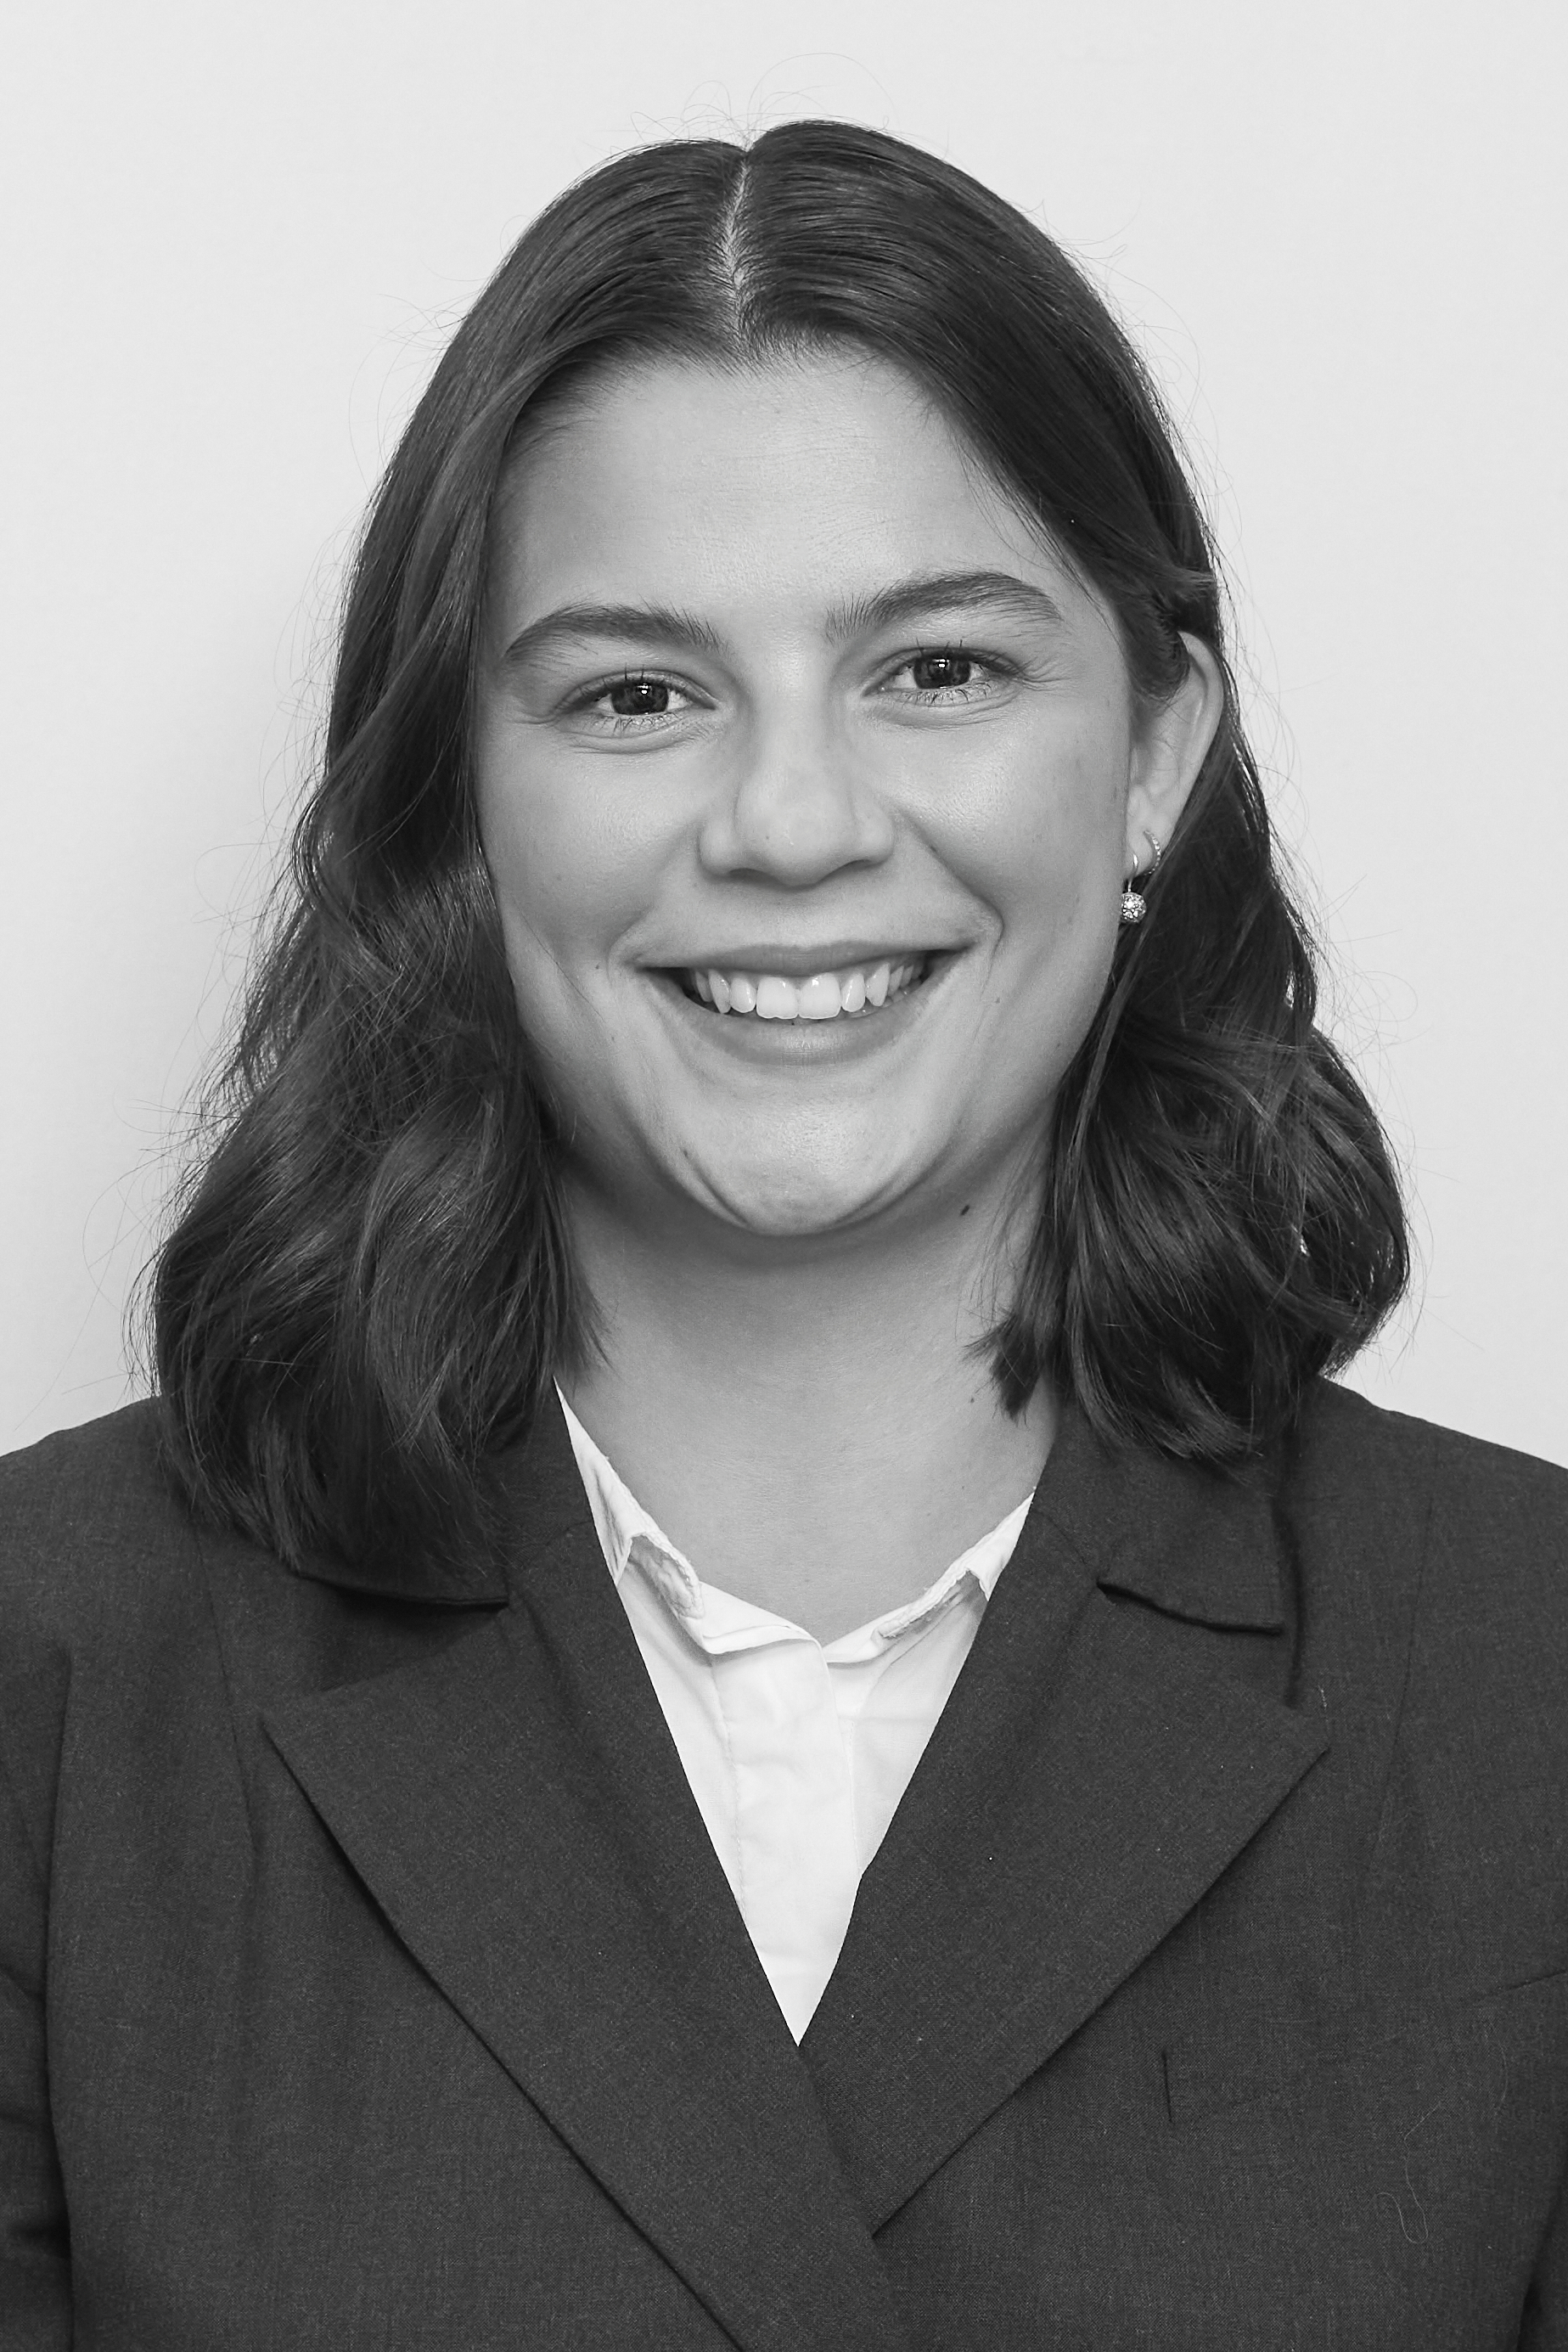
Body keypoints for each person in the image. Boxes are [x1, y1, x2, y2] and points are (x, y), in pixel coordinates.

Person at [1, 118, 1563, 2351]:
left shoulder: (1524, 1677)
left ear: (1154, 758)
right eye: (637, 694)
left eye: (939, 669)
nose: (794, 823)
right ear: (459, 800)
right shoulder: (52, 1680)